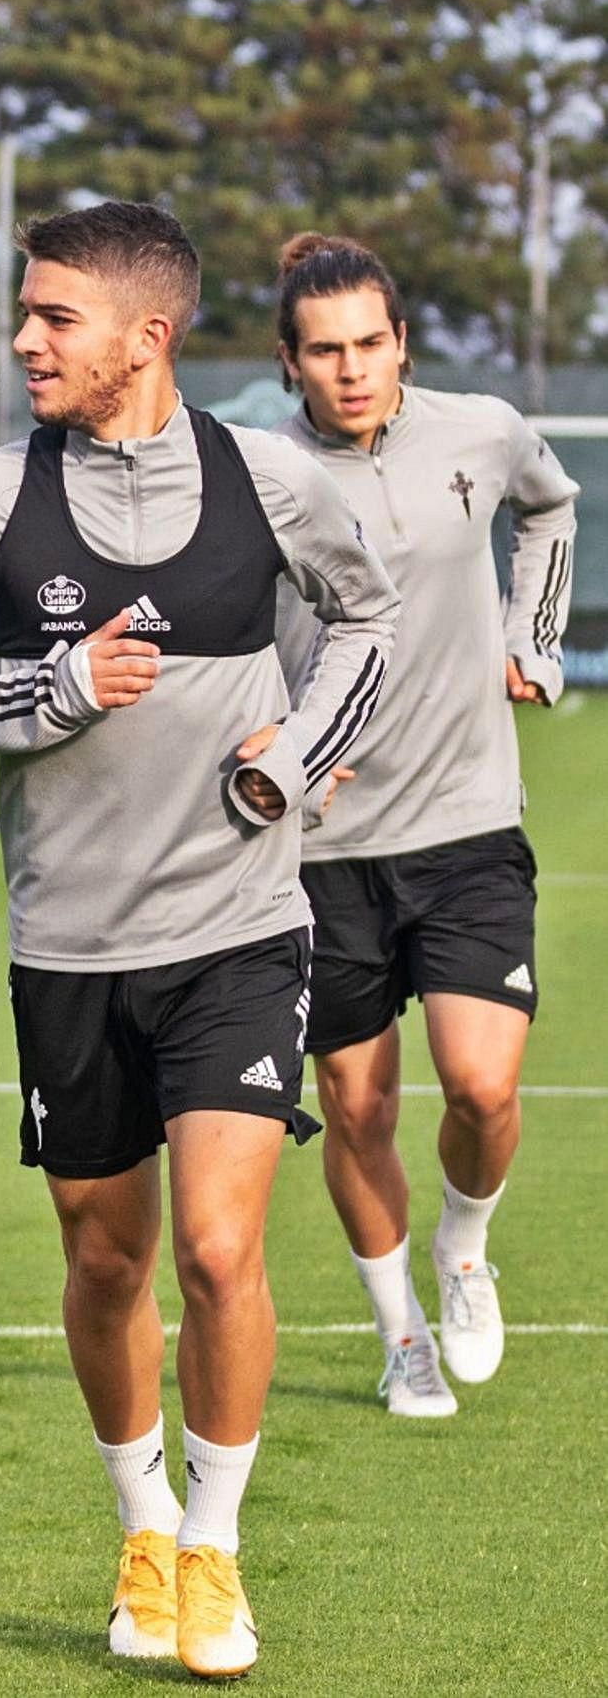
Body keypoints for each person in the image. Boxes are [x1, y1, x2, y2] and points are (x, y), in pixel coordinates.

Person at [0, 201, 399, 1679]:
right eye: (26, 315)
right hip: (66, 944)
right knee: (106, 1260)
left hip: (238, 927)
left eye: (55, 318)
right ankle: (140, 1522)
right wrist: (55, 687)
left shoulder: (268, 480)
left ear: (144, 337)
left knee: (223, 1249)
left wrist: (289, 763)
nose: (28, 339)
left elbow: (372, 627)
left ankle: (217, 1555)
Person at [272, 233, 579, 1417]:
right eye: (324, 351)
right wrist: (287, 749)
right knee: (356, 1108)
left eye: (369, 344)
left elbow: (552, 509)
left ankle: (463, 1245)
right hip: (320, 848)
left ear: (401, 341)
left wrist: (532, 638)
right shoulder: (253, 471)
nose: (351, 370)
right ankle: (401, 1335)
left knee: (482, 1086)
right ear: (291, 361)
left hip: (466, 825)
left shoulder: (484, 430)